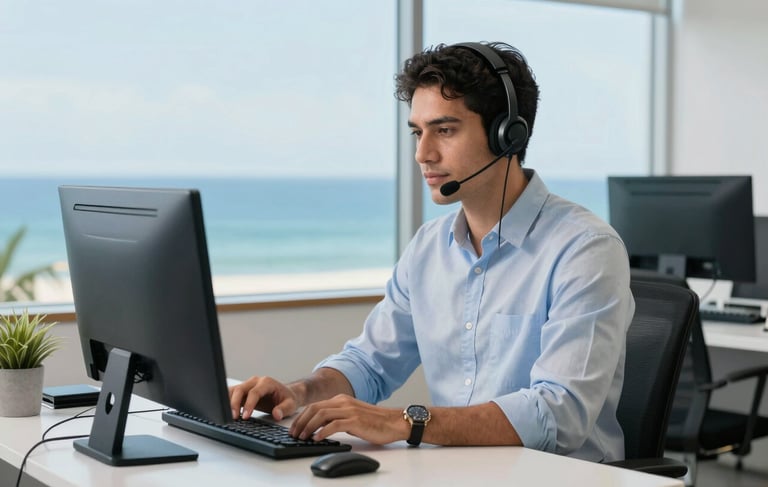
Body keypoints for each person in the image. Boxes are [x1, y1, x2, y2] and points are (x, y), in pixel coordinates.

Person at [229, 41, 635, 463]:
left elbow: (560, 414)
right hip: (457, 470)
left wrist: (406, 422)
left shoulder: (585, 250)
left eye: (445, 130)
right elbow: (370, 363)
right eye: (417, 132)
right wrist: (297, 393)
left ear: (508, 134)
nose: (423, 154)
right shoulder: (428, 247)